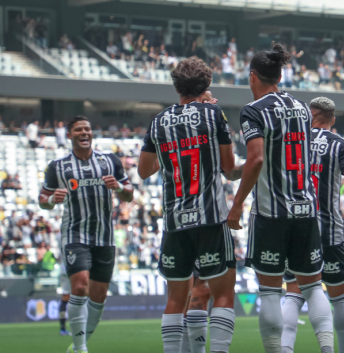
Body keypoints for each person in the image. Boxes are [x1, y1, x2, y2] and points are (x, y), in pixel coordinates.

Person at [226, 43, 334, 353]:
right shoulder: (301, 108)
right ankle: (327, 348)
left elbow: (258, 158)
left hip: (271, 214)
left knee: (270, 291)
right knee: (313, 286)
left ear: (252, 77)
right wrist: (239, 170)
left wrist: (236, 203)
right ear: (281, 75)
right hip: (305, 209)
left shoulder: (253, 110)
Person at [137, 57, 236, 353]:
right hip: (210, 220)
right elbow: (229, 168)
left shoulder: (158, 121)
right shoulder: (213, 114)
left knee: (176, 299)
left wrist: (174, 156)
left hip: (175, 221)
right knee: (223, 294)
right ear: (206, 85)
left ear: (176, 86)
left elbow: (144, 170)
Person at [279, 97, 344, 353]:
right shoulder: (339, 144)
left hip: (295, 229)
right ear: (333, 119)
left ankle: (285, 349)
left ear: (310, 114)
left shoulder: (291, 142)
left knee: (294, 293)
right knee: (339, 298)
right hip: (329, 230)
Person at [39, 115, 134, 353]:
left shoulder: (109, 160)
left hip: (105, 237)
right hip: (75, 235)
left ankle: (78, 345)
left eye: (88, 129)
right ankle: (81, 348)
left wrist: (119, 187)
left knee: (99, 297)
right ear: (69, 135)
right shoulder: (57, 167)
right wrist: (51, 199)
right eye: (79, 129)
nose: (84, 133)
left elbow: (129, 193)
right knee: (79, 287)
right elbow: (42, 199)